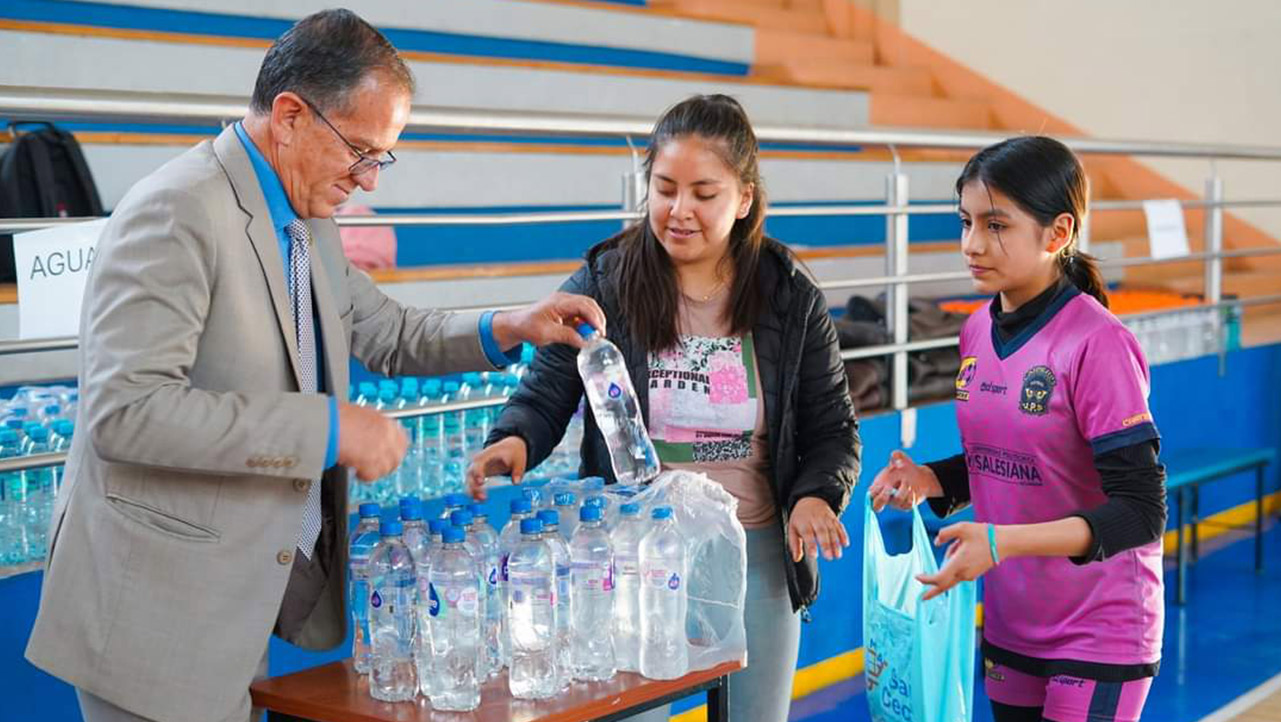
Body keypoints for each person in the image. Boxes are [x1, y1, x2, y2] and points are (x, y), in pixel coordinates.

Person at [24, 10, 604, 722]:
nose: (368, 181)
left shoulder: (303, 217)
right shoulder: (177, 211)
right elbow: (127, 412)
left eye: (381, 157)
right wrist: (327, 426)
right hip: (156, 616)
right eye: (360, 150)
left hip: (227, 599)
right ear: (291, 116)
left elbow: (383, 330)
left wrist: (509, 324)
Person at [466, 94, 861, 722]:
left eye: (704, 193)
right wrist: (513, 439)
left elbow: (832, 428)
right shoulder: (606, 280)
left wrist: (816, 495)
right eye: (665, 188)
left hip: (754, 551)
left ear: (745, 199)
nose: (680, 211)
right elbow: (546, 390)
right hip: (635, 552)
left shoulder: (789, 296)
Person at [868, 136, 1166, 722]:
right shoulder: (976, 330)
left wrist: (1002, 543)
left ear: (1057, 234)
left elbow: (1141, 509)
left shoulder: (1098, 343)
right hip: (1012, 621)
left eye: (996, 225)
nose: (972, 244)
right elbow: (1007, 459)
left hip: (1098, 629)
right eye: (966, 222)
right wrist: (932, 479)